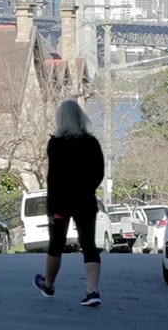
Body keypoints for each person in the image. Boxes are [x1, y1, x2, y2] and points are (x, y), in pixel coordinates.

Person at [34, 99, 105, 307]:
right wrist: (87, 189)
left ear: (61, 119)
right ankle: (92, 291)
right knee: (88, 244)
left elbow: (52, 178)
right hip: (85, 201)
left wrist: (51, 207)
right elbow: (99, 173)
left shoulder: (55, 144)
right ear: (80, 116)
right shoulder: (91, 143)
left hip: (61, 203)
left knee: (56, 245)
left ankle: (48, 285)